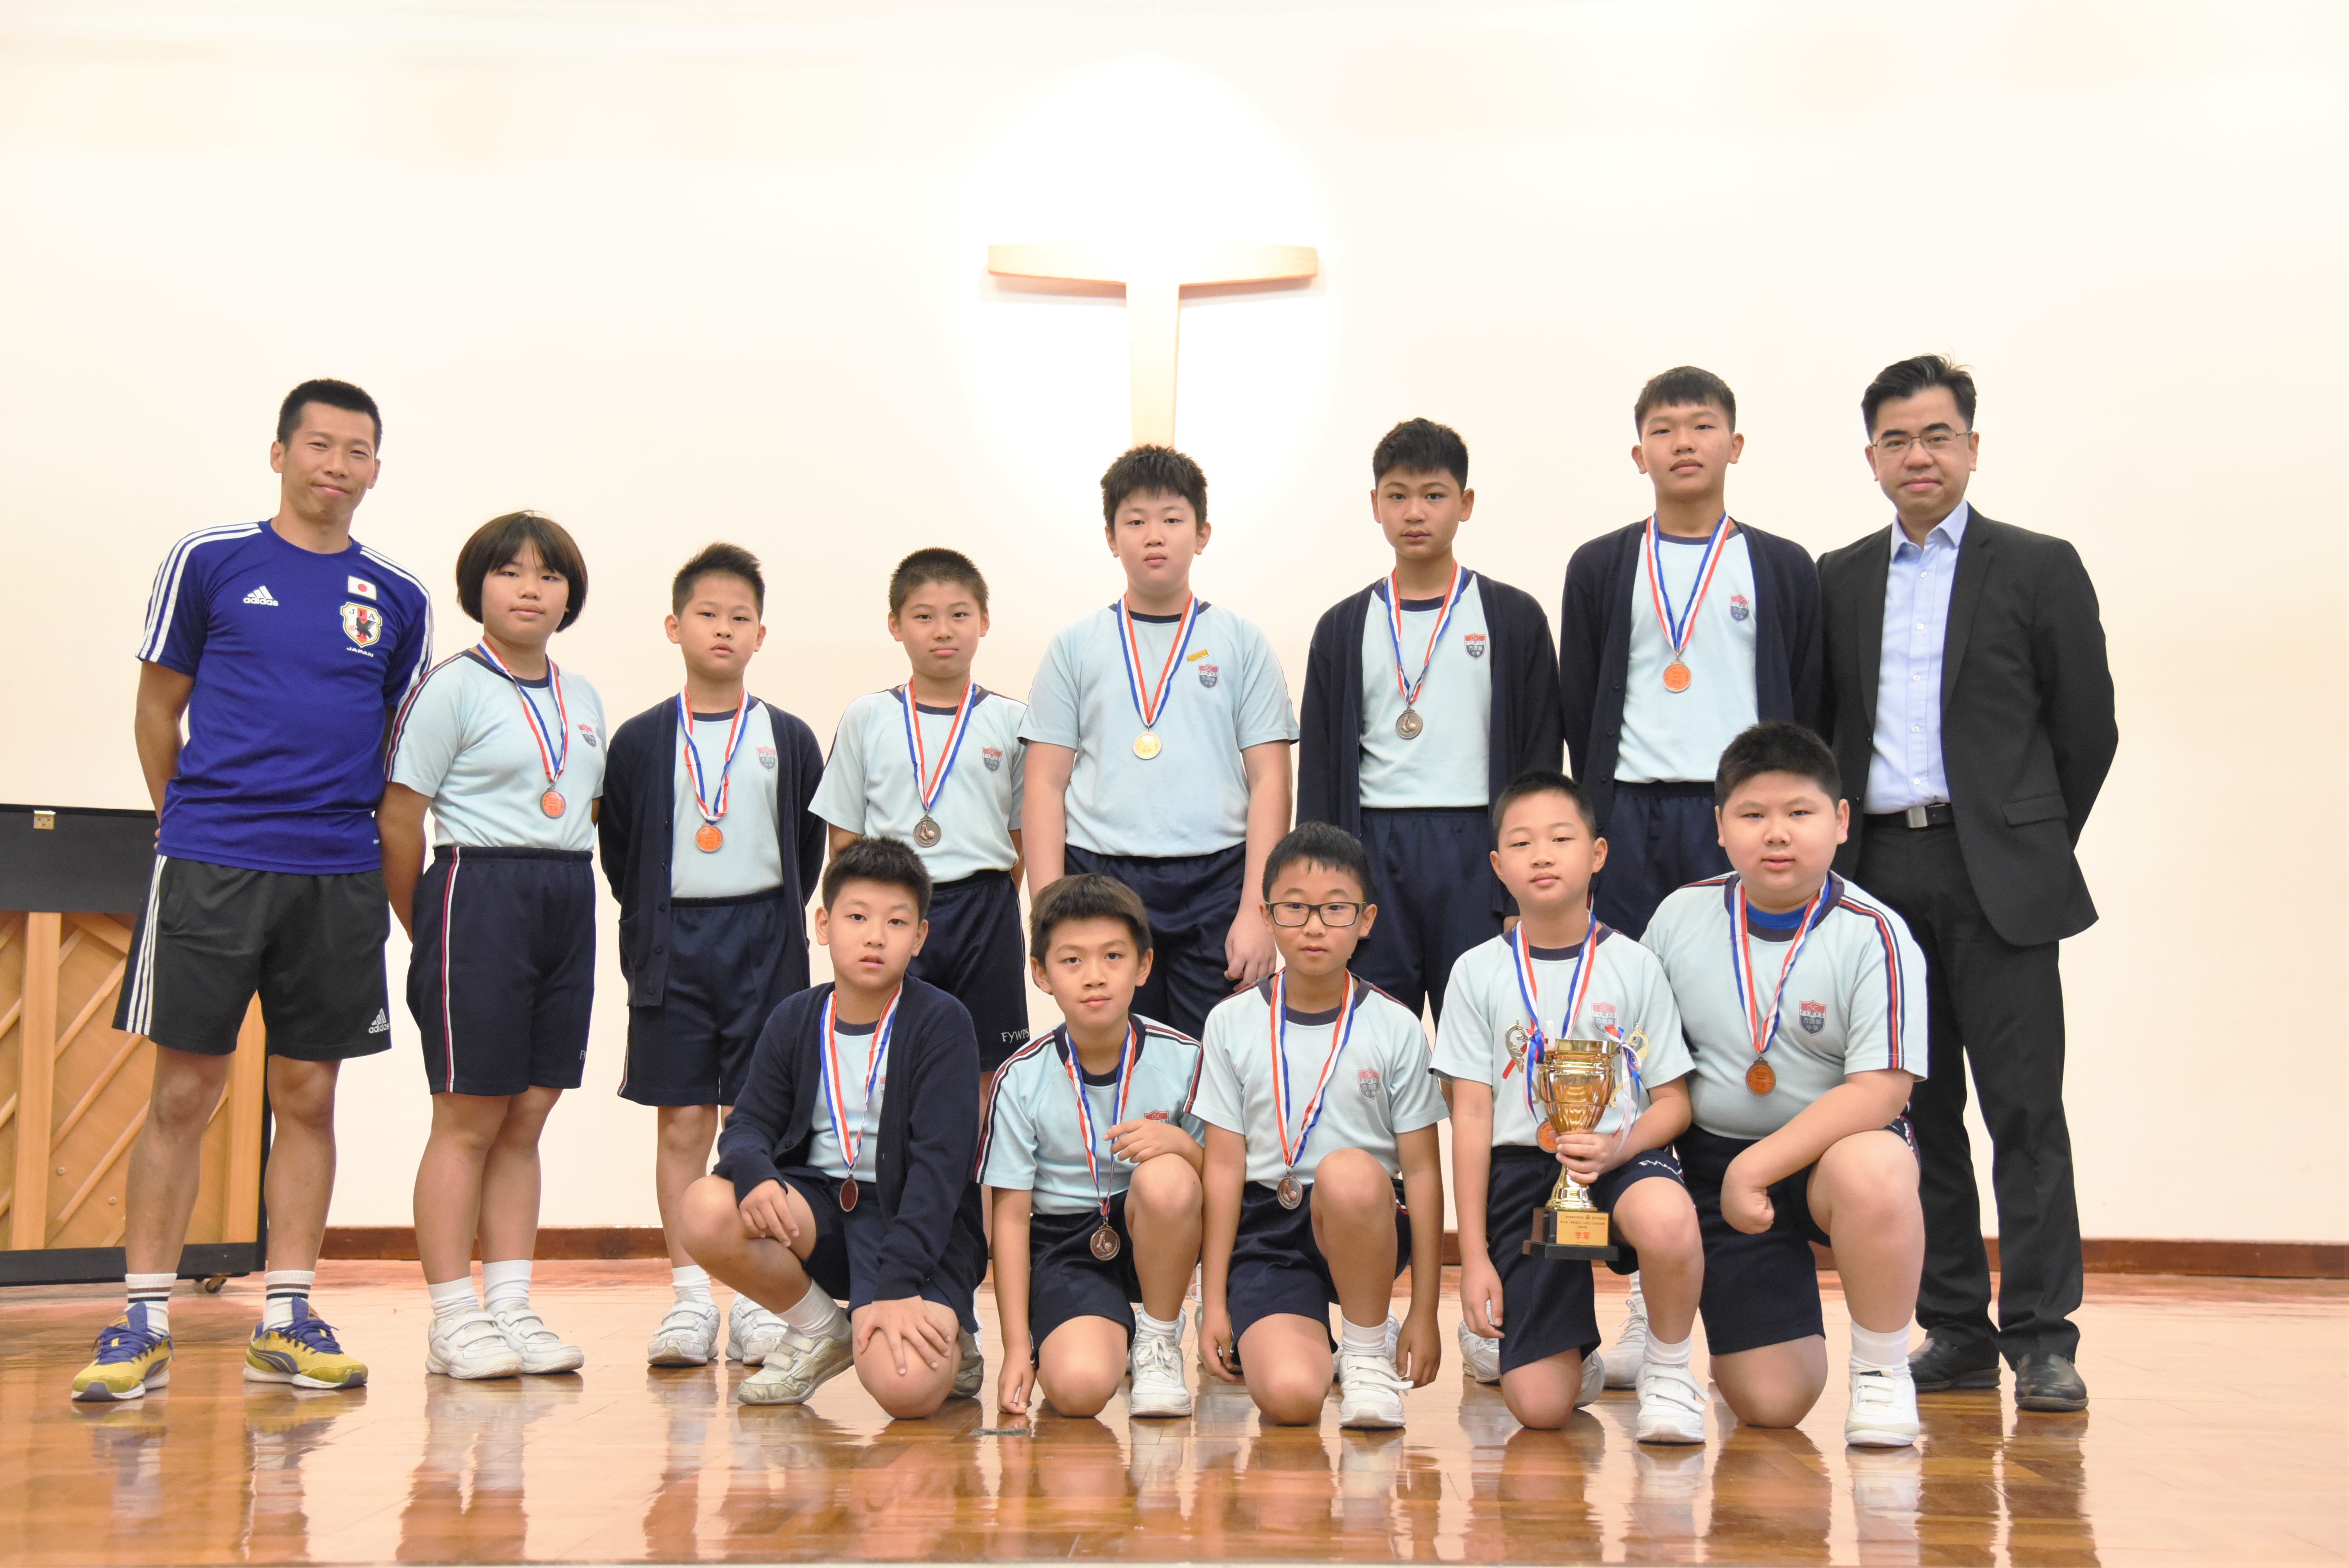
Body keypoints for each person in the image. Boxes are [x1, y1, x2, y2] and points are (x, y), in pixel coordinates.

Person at [75, 379, 429, 1404]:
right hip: (212, 862)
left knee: (308, 1093)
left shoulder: (399, 596)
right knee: (184, 1090)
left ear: (375, 470)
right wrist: (184, 823)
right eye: (318, 444)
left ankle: (286, 1317)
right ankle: (142, 1319)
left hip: (337, 873)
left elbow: (394, 740)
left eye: (356, 450)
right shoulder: (210, 561)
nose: (336, 465)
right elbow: (157, 710)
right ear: (279, 454)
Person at [1817, 356, 2116, 1412]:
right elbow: (1822, 726)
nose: (1919, 455)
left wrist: (2022, 837)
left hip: (1999, 874)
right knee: (1917, 1107)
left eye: (1937, 435)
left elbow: (2086, 728)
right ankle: (1953, 1324)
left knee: (2025, 1110)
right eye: (1897, 439)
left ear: (1972, 448)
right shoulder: (1839, 577)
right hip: (1879, 873)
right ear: (1871, 458)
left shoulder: (2037, 565)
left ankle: (2042, 1337)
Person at [1557, 365, 1823, 1383]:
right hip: (1631, 813)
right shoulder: (1599, 565)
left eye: (1701, 425)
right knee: (1625, 1043)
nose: (1682, 442)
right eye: (1662, 428)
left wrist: (1769, 817)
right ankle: (1635, 1297)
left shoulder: (1781, 566)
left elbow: (1806, 707)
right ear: (1638, 452)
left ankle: (1728, 1279)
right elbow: (1583, 701)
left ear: (1733, 446)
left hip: (1736, 818)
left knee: (1730, 1021)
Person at [1640, 721, 1930, 1448]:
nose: (1777, 833)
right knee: (1774, 1402)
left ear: (1840, 820)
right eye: (1753, 814)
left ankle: (1883, 1369)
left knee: (1879, 1165)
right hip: (1717, 1167)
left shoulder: (1875, 933)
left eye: (1800, 812)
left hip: (1829, 1158)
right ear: (1720, 826)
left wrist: (1758, 1167)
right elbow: (1639, 1057)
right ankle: (1720, 1332)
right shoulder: (1679, 917)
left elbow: (1882, 1091)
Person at [381, 512, 606, 1381]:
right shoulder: (451, 687)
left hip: (565, 896)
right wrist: (431, 926)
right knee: (469, 1114)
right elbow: (399, 819)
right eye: (509, 572)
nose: (529, 589)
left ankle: (511, 1305)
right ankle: (452, 1316)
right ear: (477, 586)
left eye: (548, 575)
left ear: (569, 596)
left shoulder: (582, 697)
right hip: (477, 891)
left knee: (529, 1111)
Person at [598, 543, 827, 1370]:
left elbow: (805, 845)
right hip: (674, 945)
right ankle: (690, 1298)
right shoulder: (639, 740)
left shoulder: (789, 737)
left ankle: (761, 1298)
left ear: (761, 635)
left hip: (764, 942)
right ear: (674, 626)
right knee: (685, 1121)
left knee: (757, 1120)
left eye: (740, 617)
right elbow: (620, 851)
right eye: (707, 614)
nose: (723, 629)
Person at [1433, 768, 1708, 1442]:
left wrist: (1618, 1147)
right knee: (1542, 1407)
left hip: (1618, 1159)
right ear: (1498, 865)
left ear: (1598, 853)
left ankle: (1669, 1369)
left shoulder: (1636, 964)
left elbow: (1674, 1103)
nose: (1543, 855)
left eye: (1561, 838)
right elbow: (1471, 1117)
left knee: (1669, 1216)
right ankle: (1566, 1353)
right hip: (1524, 1172)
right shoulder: (1475, 970)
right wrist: (1474, 1257)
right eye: (1521, 843)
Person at [675, 836, 988, 1414]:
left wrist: (898, 1285)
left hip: (917, 1225)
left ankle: (953, 1334)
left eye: (897, 922)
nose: (876, 936)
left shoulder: (943, 1022)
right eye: (857, 917)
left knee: (906, 1390)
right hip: (822, 1211)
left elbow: (940, 1171)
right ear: (824, 924)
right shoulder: (796, 1017)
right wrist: (756, 1174)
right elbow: (747, 1125)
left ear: (920, 936)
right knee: (705, 1205)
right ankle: (822, 1329)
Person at [1019, 445, 1297, 1039]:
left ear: (1202, 534)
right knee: (1112, 1054)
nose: (1154, 535)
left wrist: (1260, 911)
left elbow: (1271, 778)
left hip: (1218, 881)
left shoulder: (1242, 642)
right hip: (1101, 875)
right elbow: (1043, 783)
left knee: (1213, 1058)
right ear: (1110, 537)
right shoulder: (1075, 645)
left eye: (1172, 519)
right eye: (1135, 521)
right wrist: (1047, 912)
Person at [1298, 417, 1564, 1025]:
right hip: (1372, 848)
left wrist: (1523, 883)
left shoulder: (1513, 617)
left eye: (1434, 495)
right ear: (1375, 505)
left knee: (1489, 1032)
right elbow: (1317, 771)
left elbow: (1540, 758)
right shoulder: (1342, 627)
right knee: (1368, 1035)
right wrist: (1319, 891)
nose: (1414, 512)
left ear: (1465, 504)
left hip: (1477, 847)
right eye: (1397, 495)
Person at [1194, 823, 1447, 1430]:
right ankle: (1320, 1344)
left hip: (1363, 1214)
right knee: (1291, 1397)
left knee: (1349, 1172)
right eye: (1295, 908)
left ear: (1366, 920)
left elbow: (1422, 1172)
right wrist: (1213, 1301)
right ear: (1267, 915)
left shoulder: (1396, 1026)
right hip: (1268, 1230)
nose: (1314, 926)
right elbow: (1223, 1167)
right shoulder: (1230, 1022)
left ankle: (1366, 1350)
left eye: (1335, 909)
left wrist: (1427, 1311)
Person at [980, 874, 1205, 1420]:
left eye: (1113, 956)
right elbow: (1010, 1218)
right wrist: (1016, 1347)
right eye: (1072, 960)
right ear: (1041, 973)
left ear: (1144, 966)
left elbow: (1223, 1179)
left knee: (1167, 1176)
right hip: (1066, 1246)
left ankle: (1158, 1340)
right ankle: (1104, 1334)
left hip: (1157, 1230)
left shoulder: (1186, 1058)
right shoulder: (1020, 1077)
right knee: (1078, 1390)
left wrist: (1181, 1144)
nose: (1095, 975)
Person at [813, 549, 1029, 1078]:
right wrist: (872, 909)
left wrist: (991, 897)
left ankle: (980, 1142)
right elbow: (843, 838)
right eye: (924, 616)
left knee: (988, 1067)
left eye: (959, 614)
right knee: (891, 1059)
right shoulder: (868, 717)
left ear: (984, 621)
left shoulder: (1013, 721)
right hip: (894, 907)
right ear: (896, 625)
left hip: (985, 912)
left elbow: (1022, 837)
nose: (943, 630)